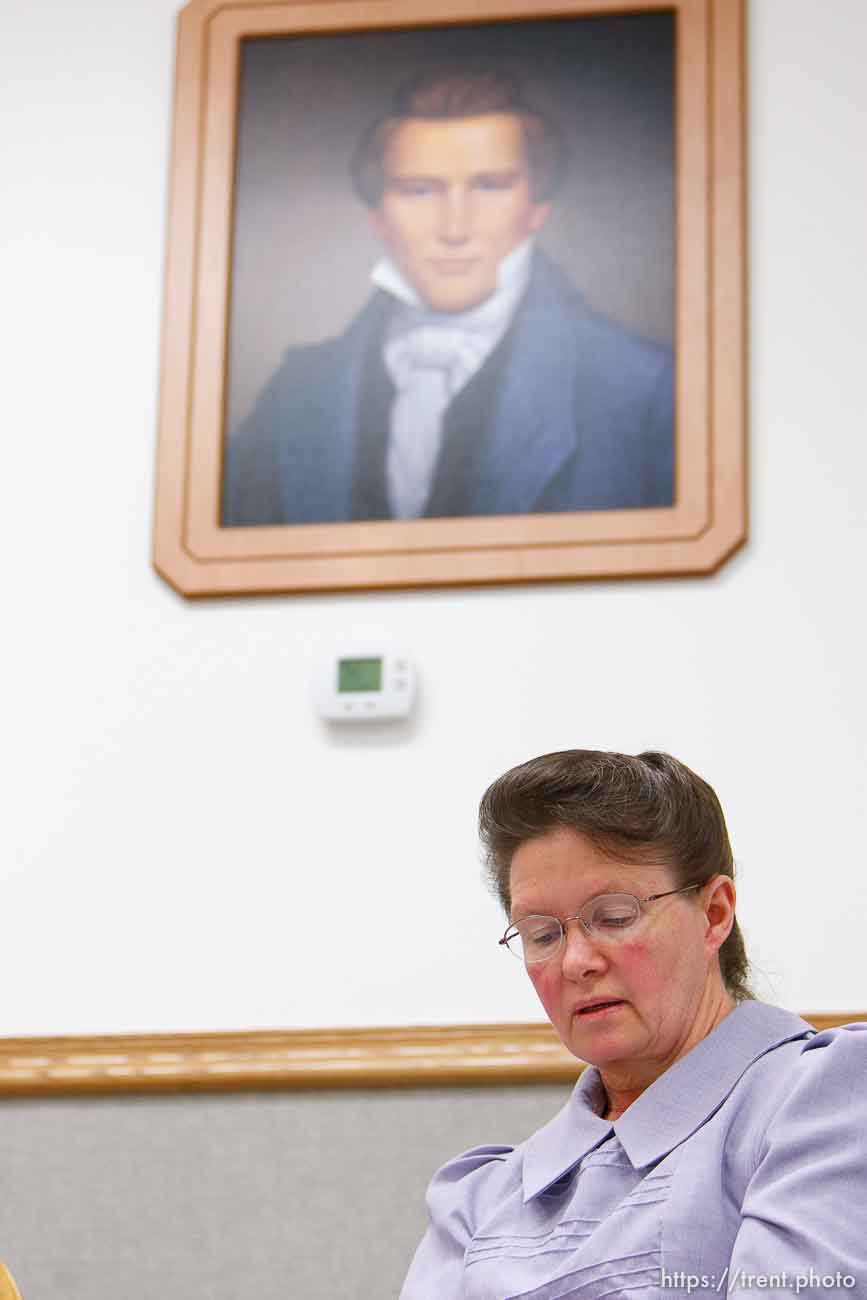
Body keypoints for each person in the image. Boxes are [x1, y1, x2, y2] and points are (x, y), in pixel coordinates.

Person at [399, 749, 867, 1299]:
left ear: (715, 913)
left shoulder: (826, 1098)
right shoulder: (479, 1196)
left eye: (614, 917)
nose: (576, 962)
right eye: (542, 935)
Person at [222, 69, 674, 527]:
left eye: (489, 186)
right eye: (419, 191)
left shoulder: (641, 389)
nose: (455, 229)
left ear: (538, 208)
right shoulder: (298, 392)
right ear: (378, 216)